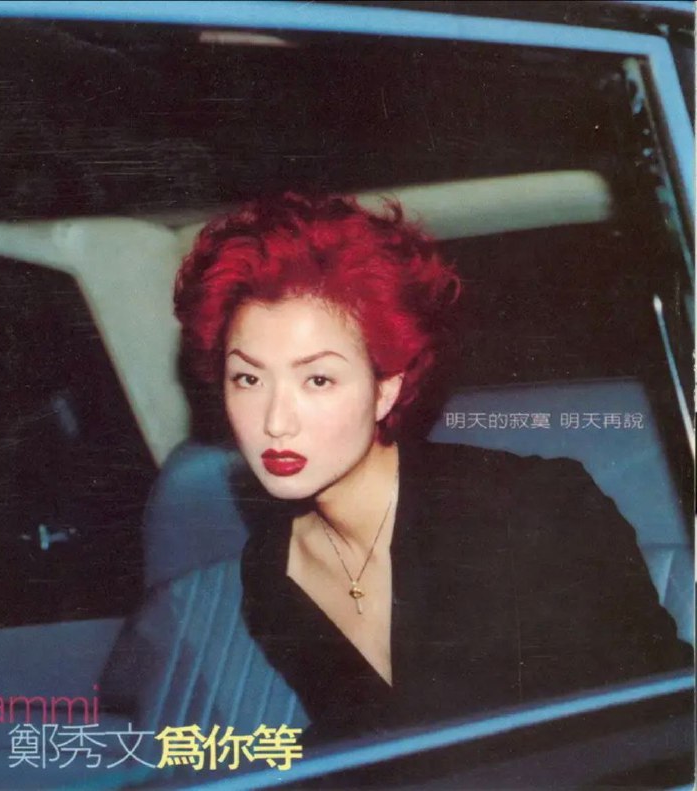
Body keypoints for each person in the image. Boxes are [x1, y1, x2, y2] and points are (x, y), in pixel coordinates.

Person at [173, 192, 692, 747]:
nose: (275, 421)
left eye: (317, 380)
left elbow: (663, 724)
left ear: (386, 388)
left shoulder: (532, 509)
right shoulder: (271, 573)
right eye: (248, 379)